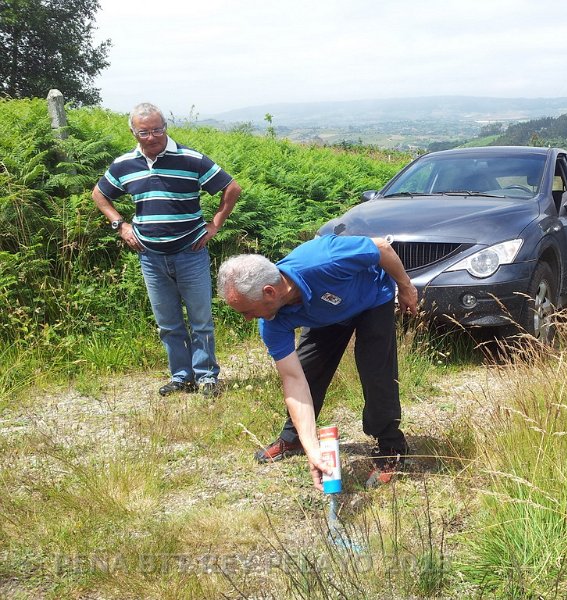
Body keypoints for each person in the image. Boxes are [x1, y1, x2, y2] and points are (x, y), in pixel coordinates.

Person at [216, 234, 418, 490]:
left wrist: (406, 287)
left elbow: (381, 247)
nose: (246, 319)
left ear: (269, 292)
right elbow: (292, 378)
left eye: (246, 310)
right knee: (307, 370)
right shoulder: (271, 322)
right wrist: (314, 449)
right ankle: (296, 439)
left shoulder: (324, 260)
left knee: (376, 373)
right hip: (326, 315)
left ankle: (391, 449)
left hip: (371, 298)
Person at [92, 102, 241, 398]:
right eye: (144, 131)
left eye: (157, 129)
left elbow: (232, 188)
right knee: (168, 323)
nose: (152, 136)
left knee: (200, 320)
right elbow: (99, 194)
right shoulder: (124, 165)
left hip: (191, 252)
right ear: (134, 132)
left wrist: (215, 225)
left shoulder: (190, 158)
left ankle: (207, 376)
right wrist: (120, 226)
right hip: (150, 257)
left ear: (166, 127)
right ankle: (181, 377)